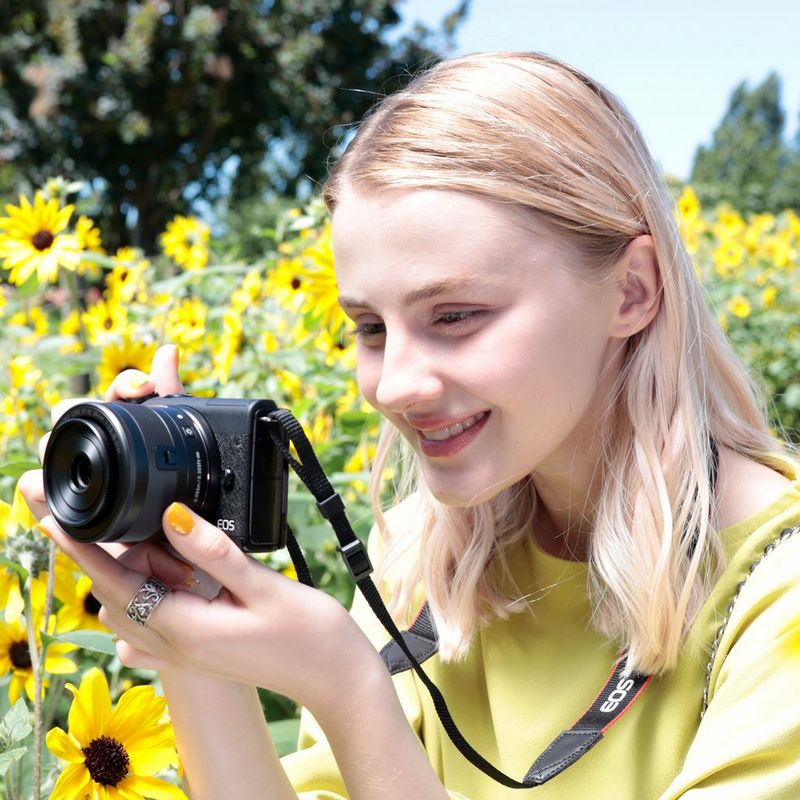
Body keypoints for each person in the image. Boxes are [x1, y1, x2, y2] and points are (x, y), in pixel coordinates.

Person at [20, 51, 800, 799]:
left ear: (633, 291)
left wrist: (348, 689)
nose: (394, 386)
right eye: (369, 327)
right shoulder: (422, 558)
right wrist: (187, 633)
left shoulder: (778, 595)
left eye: (455, 316)